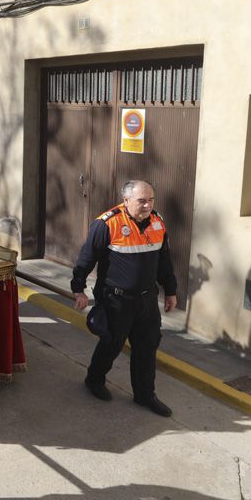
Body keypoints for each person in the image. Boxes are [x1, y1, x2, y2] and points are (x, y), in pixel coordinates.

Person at [72, 179, 178, 418]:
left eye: (151, 200)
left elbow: (164, 262)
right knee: (111, 344)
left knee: (147, 348)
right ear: (126, 200)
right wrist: (78, 289)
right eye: (141, 200)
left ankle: (145, 395)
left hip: (147, 301)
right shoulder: (107, 224)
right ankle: (95, 380)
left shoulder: (158, 222)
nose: (147, 205)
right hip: (116, 300)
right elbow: (86, 259)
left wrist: (170, 291)